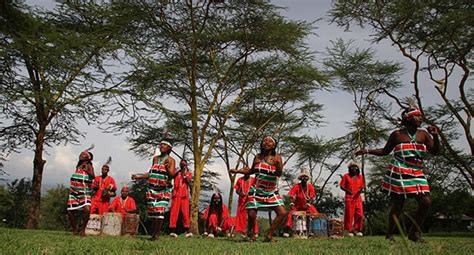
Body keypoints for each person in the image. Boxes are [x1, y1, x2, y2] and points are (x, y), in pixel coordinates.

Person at [356, 107, 440, 242]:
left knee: (426, 202)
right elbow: (384, 151)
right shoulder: (397, 134)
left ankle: (413, 232)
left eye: (420, 116)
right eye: (417, 116)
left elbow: (435, 151)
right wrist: (367, 150)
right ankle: (389, 234)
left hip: (417, 171)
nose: (420, 118)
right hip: (399, 170)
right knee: (398, 204)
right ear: (408, 118)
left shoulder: (423, 134)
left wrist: (435, 136)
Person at [230, 135, 286, 242]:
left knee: (282, 212)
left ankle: (269, 235)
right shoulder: (257, 157)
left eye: (270, 141)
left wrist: (278, 164)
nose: (266, 142)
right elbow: (251, 171)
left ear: (274, 145)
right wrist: (237, 171)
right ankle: (251, 236)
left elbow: (278, 174)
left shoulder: (277, 157)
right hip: (256, 189)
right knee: (251, 214)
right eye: (264, 141)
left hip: (271, 191)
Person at [131, 140, 178, 240]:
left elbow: (172, 175)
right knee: (153, 212)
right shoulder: (155, 159)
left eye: (164, 145)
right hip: (152, 189)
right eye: (161, 144)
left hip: (163, 189)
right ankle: (153, 234)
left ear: (169, 148)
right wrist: (138, 177)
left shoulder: (171, 160)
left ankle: (157, 235)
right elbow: (151, 173)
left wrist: (167, 168)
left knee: (160, 211)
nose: (161, 146)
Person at [67, 146, 95, 236]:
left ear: (87, 157)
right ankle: (75, 230)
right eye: (80, 154)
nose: (80, 156)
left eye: (83, 155)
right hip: (74, 192)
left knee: (87, 209)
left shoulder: (89, 165)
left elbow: (93, 176)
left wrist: (87, 171)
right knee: (70, 211)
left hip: (85, 192)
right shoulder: (78, 165)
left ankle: (83, 230)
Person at [283, 168, 318, 238]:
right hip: (297, 206)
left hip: (307, 205)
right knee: (290, 214)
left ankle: (314, 231)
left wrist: (308, 204)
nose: (304, 178)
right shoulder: (297, 186)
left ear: (308, 178)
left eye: (306, 176)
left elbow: (311, 197)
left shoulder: (310, 186)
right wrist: (292, 203)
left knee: (315, 213)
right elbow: (291, 195)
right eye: (303, 177)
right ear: (300, 178)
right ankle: (286, 231)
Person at [339, 162, 365, 237]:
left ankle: (357, 230)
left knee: (360, 214)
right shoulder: (346, 176)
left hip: (358, 198)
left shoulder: (360, 177)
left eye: (355, 167)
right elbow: (341, 186)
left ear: (358, 169)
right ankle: (348, 230)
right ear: (349, 168)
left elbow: (362, 186)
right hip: (349, 198)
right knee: (349, 215)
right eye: (352, 167)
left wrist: (361, 189)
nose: (354, 169)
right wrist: (348, 191)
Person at [169, 160, 193, 238]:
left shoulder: (188, 173)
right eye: (182, 164)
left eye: (184, 164)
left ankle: (187, 231)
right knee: (174, 213)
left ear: (186, 165)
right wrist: (179, 170)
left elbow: (189, 182)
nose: (183, 165)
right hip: (176, 195)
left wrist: (184, 174)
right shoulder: (176, 172)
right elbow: (171, 176)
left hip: (184, 195)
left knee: (185, 213)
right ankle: (172, 231)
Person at [234, 173, 259, 238]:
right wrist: (240, 193)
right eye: (245, 173)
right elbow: (237, 189)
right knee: (241, 216)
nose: (246, 174)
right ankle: (243, 232)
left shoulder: (253, 179)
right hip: (242, 200)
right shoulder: (240, 180)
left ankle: (254, 231)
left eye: (248, 173)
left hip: (251, 199)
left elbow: (257, 188)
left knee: (252, 216)